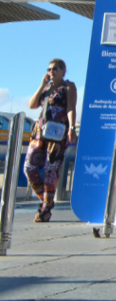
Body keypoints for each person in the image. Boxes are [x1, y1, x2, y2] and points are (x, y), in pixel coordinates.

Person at [24, 59, 77, 222]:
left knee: (50, 170)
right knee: (29, 168)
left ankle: (45, 209)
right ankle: (46, 200)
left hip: (57, 133)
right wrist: (42, 85)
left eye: (55, 69)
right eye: (49, 69)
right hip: (40, 132)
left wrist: (72, 127)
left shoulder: (68, 86)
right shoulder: (46, 87)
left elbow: (71, 108)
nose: (51, 71)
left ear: (63, 70)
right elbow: (32, 105)